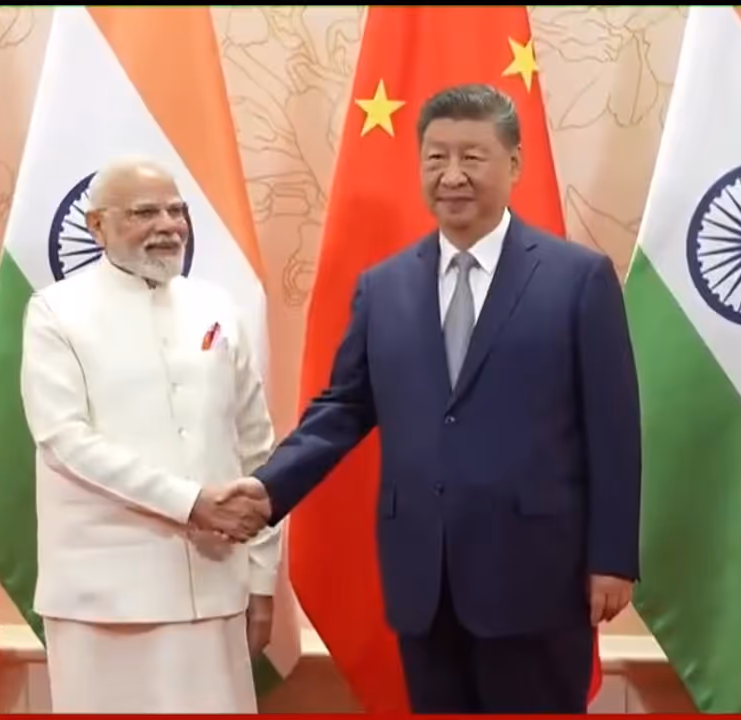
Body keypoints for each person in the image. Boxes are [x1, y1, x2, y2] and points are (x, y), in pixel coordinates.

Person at [207, 84, 643, 714]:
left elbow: (614, 428)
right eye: (436, 158)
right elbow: (344, 407)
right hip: (423, 575)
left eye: (473, 156)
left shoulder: (578, 279)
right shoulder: (384, 287)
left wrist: (612, 558)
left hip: (537, 575)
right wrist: (269, 489)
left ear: (514, 164)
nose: (453, 176)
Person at [18, 157, 281, 714]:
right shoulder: (55, 313)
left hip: (214, 590)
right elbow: (64, 438)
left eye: (176, 210)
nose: (168, 225)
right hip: (103, 599)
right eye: (145, 212)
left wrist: (262, 576)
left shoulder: (216, 307)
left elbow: (256, 447)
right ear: (97, 226)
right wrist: (191, 503)